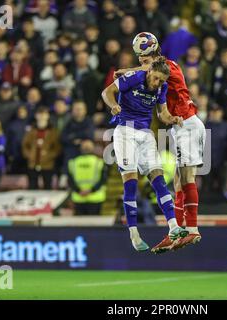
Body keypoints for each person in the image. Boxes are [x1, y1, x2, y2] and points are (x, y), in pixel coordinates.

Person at [114, 32, 206, 253]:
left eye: (143, 58)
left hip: (187, 123)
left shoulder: (167, 67)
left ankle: (192, 228)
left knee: (186, 178)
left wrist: (126, 72)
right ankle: (175, 232)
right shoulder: (158, 69)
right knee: (177, 182)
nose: (141, 63)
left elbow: (148, 70)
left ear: (153, 53)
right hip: (179, 126)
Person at [102, 57, 188, 252]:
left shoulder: (161, 88)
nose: (157, 83)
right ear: (149, 72)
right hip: (125, 132)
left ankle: (173, 226)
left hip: (145, 134)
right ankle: (134, 233)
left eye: (161, 81)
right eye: (156, 78)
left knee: (158, 179)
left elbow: (162, 114)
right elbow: (107, 92)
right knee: (131, 183)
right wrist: (113, 105)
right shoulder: (134, 77)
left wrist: (173, 119)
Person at [22, 106, 61, 189]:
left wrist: (49, 155)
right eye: (40, 114)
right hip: (33, 163)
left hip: (47, 164)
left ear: (48, 116)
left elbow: (57, 148)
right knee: (32, 186)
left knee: (47, 186)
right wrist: (30, 155)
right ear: (36, 116)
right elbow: (25, 145)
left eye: (44, 114)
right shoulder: (31, 130)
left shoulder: (53, 131)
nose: (42, 117)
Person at [68, 139, 108, 215]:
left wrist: (79, 190)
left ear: (80, 149)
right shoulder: (99, 162)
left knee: (79, 225)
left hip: (79, 198)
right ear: (92, 148)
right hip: (96, 198)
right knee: (94, 225)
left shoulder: (73, 162)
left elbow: (70, 181)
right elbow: (103, 180)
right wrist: (91, 190)